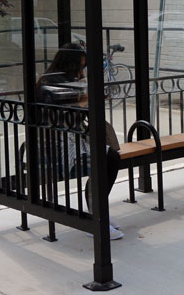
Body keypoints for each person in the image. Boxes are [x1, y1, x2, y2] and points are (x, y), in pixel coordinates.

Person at [37, 42, 125, 240]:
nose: (83, 69)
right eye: (81, 65)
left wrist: (84, 97)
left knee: (111, 158)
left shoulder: (55, 78)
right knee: (108, 159)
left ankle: (98, 212)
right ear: (72, 63)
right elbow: (64, 116)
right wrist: (85, 100)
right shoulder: (55, 82)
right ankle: (96, 217)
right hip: (58, 143)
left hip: (70, 138)